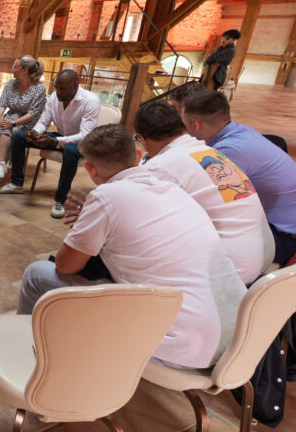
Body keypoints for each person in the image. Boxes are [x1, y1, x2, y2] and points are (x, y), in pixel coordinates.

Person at [18, 125, 245, 370]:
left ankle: (24, 352)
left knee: (37, 274)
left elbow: (66, 266)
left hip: (185, 348)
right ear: (138, 156)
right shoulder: (174, 190)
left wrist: (87, 224)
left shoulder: (106, 197)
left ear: (90, 168)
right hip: (237, 338)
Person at [133, 101, 273, 285]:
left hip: (227, 270)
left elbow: (141, 221)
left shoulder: (160, 166)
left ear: (143, 140)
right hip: (261, 254)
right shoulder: (209, 151)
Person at [180, 90, 296, 264]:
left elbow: (203, 198)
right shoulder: (241, 132)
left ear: (196, 124)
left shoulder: (229, 151)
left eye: (184, 125)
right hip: (295, 228)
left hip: (282, 239)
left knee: (187, 242)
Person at [10, 69, 100, 218]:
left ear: (75, 85)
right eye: (56, 87)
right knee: (20, 136)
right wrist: (36, 133)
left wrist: (56, 141)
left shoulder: (90, 101)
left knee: (70, 151)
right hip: (60, 137)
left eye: (62, 88)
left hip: (82, 143)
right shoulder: (54, 97)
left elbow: (85, 135)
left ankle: (60, 200)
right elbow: (44, 121)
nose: (58, 92)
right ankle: (16, 183)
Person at [0, 55, 47, 191]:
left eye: (15, 67)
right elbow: (2, 105)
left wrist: (13, 123)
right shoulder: (11, 84)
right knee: (0, 126)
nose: (12, 69)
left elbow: (33, 113)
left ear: (25, 70)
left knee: (10, 129)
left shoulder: (39, 88)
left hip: (29, 122)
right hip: (11, 116)